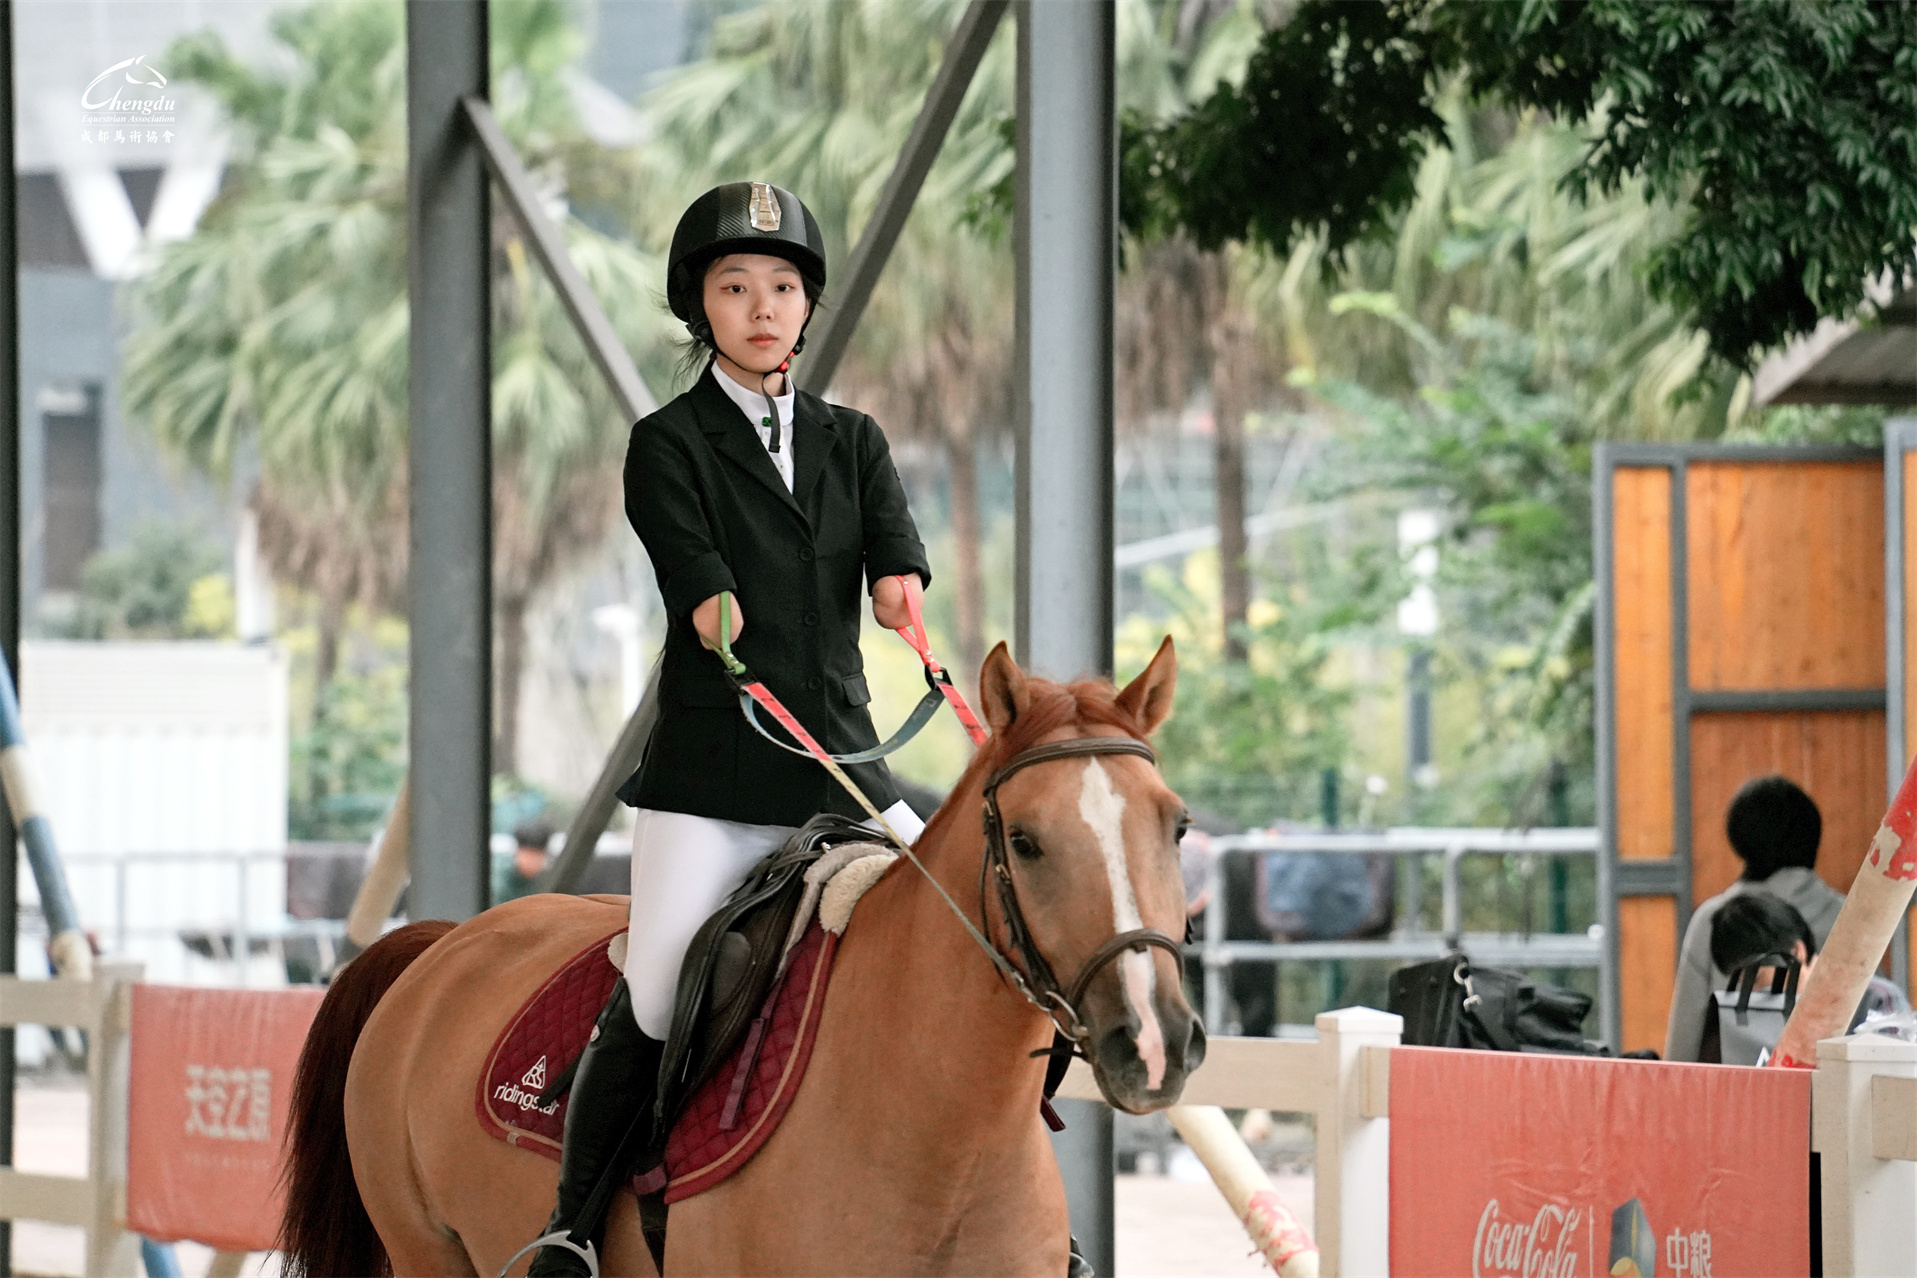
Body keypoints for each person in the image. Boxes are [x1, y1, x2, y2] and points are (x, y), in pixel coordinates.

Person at [526, 181, 932, 1275]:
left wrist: (901, 595)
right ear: (699, 307)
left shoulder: (855, 440)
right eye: (735, 287)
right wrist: (715, 606)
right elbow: (693, 577)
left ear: (807, 306)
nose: (762, 308)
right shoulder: (667, 443)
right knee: (661, 985)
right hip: (713, 780)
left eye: (783, 287)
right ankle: (572, 1227)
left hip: (843, 772)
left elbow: (895, 564)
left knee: (966, 932)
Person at [1664, 776, 1846, 1062]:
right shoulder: (1847, 917)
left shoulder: (1712, 921)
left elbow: (1684, 1042)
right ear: (1813, 836)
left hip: (1734, 1084)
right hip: (1827, 1082)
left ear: (1739, 838)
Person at [493, 818, 554, 905]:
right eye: (529, 855)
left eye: (537, 855)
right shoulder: (499, 883)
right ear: (517, 852)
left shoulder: (542, 879)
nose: (532, 861)